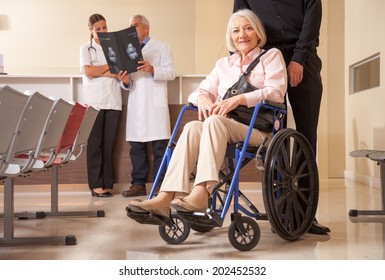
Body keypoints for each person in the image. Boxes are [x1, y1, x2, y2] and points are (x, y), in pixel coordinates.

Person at [127, 9, 287, 217]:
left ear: (257, 32)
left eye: (248, 29)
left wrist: (239, 99)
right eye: (236, 31)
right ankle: (165, 196)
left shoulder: (271, 56)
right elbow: (199, 91)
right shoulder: (223, 65)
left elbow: (276, 92)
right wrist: (201, 97)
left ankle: (201, 192)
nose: (242, 35)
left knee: (213, 122)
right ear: (231, 37)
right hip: (223, 128)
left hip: (258, 131)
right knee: (193, 126)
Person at [233, 0, 330, 234]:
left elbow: (311, 21)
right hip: (266, 62)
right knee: (274, 139)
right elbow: (240, 20)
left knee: (306, 138)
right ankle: (280, 212)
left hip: (303, 61)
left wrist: (298, 58)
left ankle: (307, 216)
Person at [118, 14, 176, 197]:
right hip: (136, 103)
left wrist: (153, 69)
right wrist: (125, 81)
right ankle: (138, 184)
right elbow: (129, 82)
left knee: (159, 147)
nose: (131, 29)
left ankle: (161, 185)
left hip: (155, 104)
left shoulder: (161, 47)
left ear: (146, 28)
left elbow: (171, 72)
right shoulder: (127, 51)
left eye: (134, 25)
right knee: (136, 147)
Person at [79, 14, 122, 197]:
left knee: (108, 144)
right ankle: (96, 185)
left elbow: (119, 72)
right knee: (95, 144)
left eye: (105, 27)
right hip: (95, 101)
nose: (103, 31)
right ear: (91, 30)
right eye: (98, 29)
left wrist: (102, 70)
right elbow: (88, 71)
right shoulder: (85, 49)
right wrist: (109, 69)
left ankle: (106, 183)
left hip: (113, 101)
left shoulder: (115, 48)